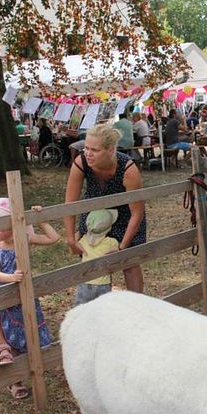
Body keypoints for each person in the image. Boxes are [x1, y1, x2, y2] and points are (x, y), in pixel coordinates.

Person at [0, 198, 58, 399]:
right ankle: (4, 352)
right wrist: (11, 278)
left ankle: (27, 367)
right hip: (0, 288)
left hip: (21, 291)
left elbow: (54, 238)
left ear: (10, 223)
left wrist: (39, 219)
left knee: (21, 328)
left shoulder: (23, 239)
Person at [64, 124, 146, 292]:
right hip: (95, 215)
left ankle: (138, 308)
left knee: (129, 263)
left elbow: (137, 213)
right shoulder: (81, 162)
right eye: (86, 147)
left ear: (110, 150)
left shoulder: (129, 170)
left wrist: (122, 247)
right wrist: (71, 239)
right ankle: (95, 306)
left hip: (125, 217)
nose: (88, 153)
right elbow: (70, 205)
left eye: (94, 149)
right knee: (92, 264)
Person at [75, 208, 120, 305]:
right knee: (103, 310)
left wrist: (78, 232)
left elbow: (74, 242)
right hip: (103, 284)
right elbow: (118, 253)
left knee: (81, 309)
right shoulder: (111, 242)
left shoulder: (84, 240)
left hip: (84, 282)